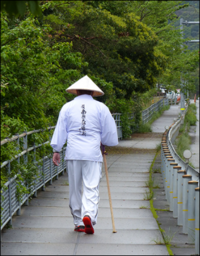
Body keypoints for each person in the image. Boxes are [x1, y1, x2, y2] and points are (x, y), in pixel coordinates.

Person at [50, 75, 118, 234]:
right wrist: (104, 142)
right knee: (91, 186)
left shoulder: (67, 107)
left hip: (73, 151)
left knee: (75, 188)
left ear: (77, 91)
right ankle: (89, 214)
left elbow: (60, 130)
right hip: (92, 152)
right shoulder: (101, 108)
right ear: (93, 92)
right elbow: (109, 132)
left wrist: (56, 150)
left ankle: (78, 221)